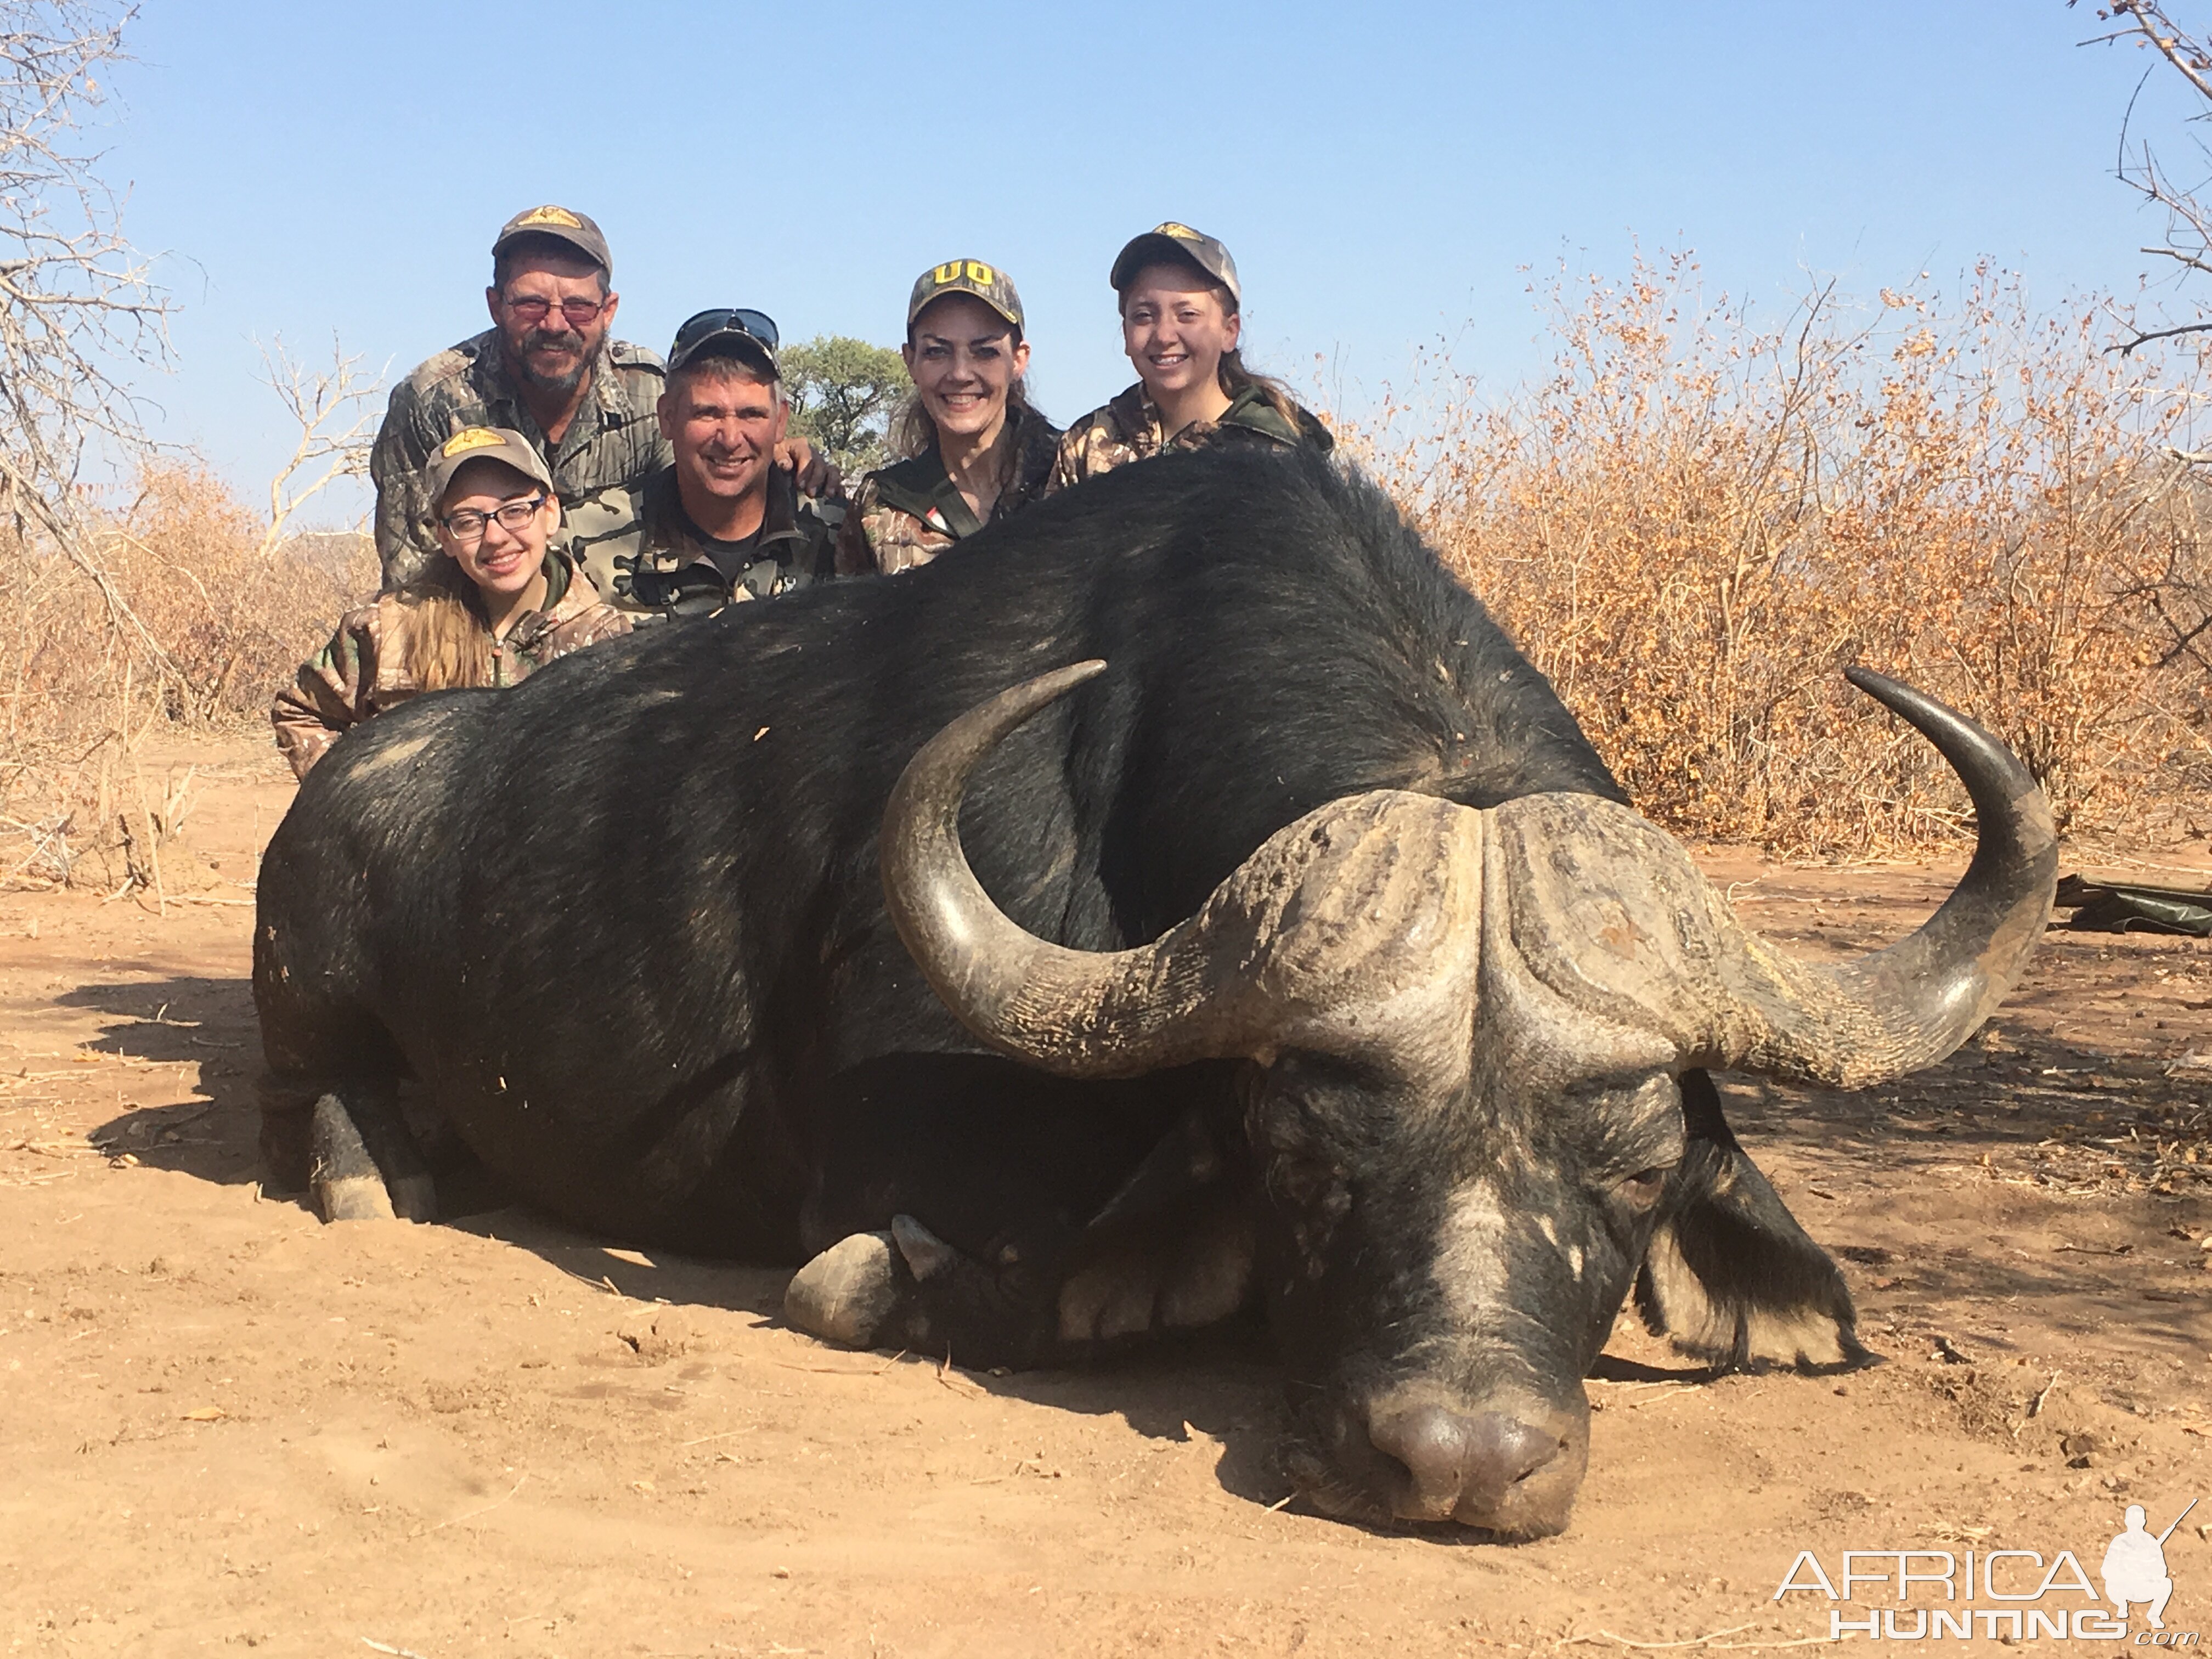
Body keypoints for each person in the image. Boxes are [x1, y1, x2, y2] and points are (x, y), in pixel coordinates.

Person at [275, 427, 630, 777]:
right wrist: (363, 806)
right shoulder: (388, 628)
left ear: (550, 512)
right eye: (467, 521)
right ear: (445, 536)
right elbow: (300, 713)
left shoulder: (607, 640)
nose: (495, 537)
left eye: (516, 510)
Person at [369, 205, 673, 591]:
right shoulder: (429, 402)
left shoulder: (652, 392)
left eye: (579, 307)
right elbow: (413, 583)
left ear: (608, 311)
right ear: (495, 306)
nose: (555, 325)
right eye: (532, 304)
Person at [567, 308, 840, 619]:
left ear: (781, 422)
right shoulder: (582, 541)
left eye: (751, 414)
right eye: (707, 413)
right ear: (668, 417)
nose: (731, 439)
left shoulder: (838, 533)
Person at [1046, 222, 1331, 494]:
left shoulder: (1276, 453)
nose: (1164, 335)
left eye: (1187, 315)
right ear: (1125, 333)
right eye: (1144, 316)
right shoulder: (1085, 446)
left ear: (1229, 331)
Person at [836, 259, 1060, 575]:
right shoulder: (880, 504)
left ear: (1019, 360)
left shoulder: (1068, 476)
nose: (960, 374)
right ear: (910, 360)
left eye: (985, 351)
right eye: (937, 351)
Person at [2101, 1504, 2176, 1629]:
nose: (2135, 1524)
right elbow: (2106, 1569)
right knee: (2111, 1583)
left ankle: (2154, 1615)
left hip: (2144, 1588)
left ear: (2144, 1522)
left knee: (2166, 1583)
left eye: (2138, 1520)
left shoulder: (2151, 1542)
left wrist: (2147, 1568)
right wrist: (2126, 1569)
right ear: (2126, 1522)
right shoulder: (2119, 1541)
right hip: (2123, 1588)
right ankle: (2122, 1606)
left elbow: (2162, 1571)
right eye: (2132, 1520)